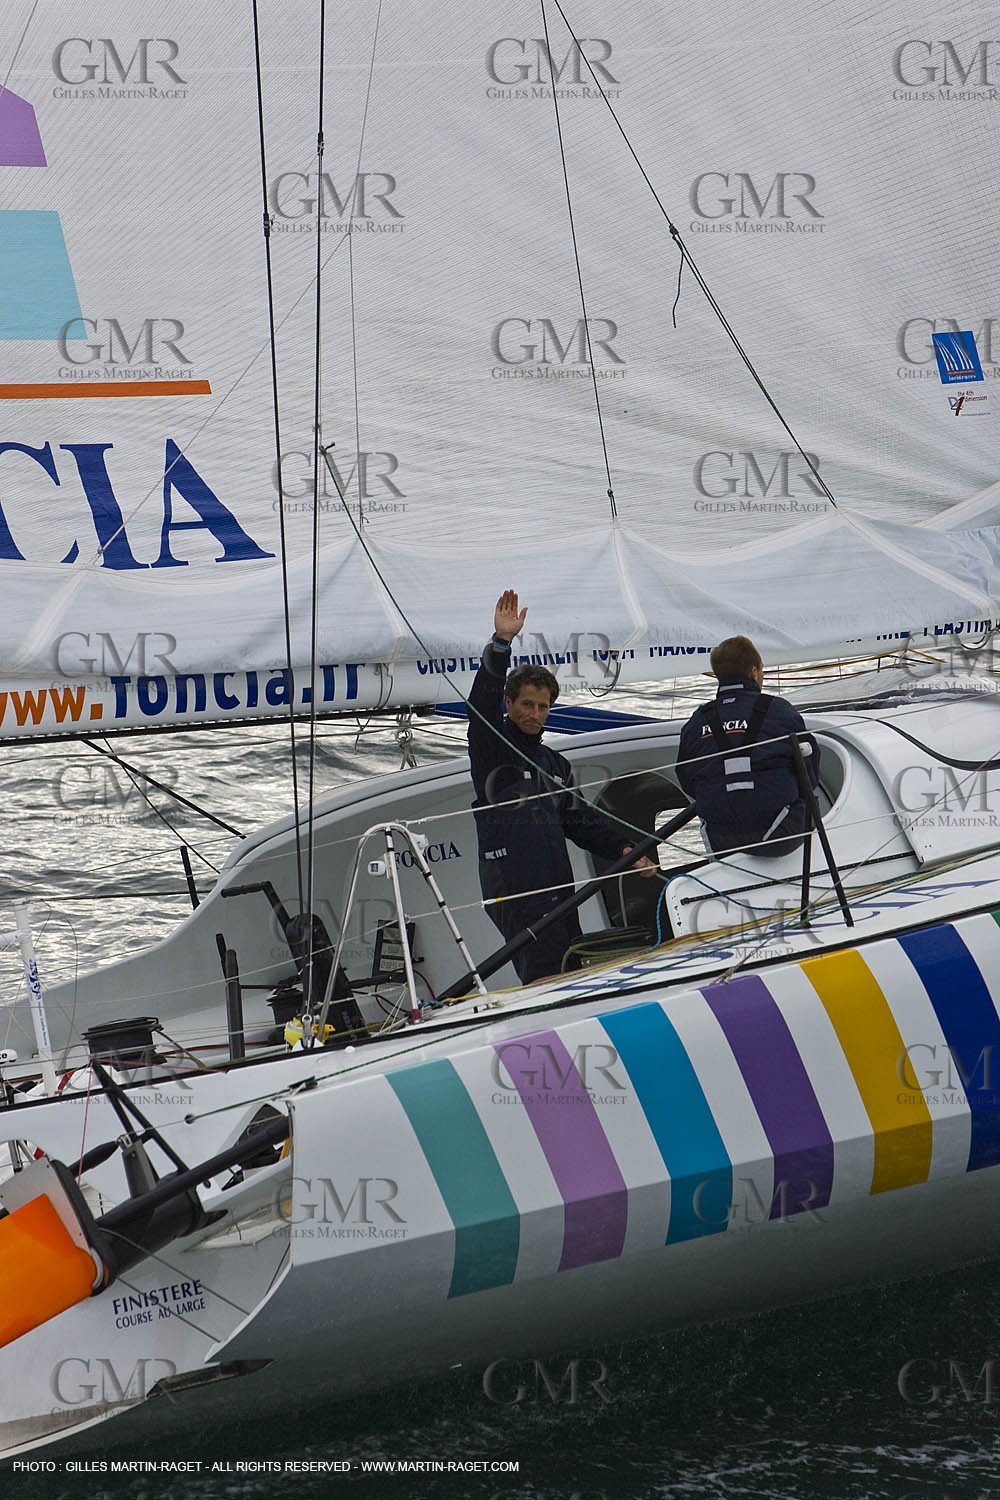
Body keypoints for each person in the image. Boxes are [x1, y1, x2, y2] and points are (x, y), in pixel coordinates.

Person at [468, 590, 656, 983]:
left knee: (568, 966)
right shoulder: (492, 748)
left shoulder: (555, 763)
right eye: (526, 705)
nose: (535, 714)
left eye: (543, 706)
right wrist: (500, 644)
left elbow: (581, 823)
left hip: (555, 886)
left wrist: (626, 849)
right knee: (542, 972)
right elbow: (480, 708)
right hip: (514, 886)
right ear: (509, 703)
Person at [675, 635, 820, 859]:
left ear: (718, 675)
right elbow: (809, 772)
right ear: (754, 672)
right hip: (779, 837)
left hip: (721, 843)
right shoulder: (779, 710)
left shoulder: (696, 722)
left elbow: (685, 777)